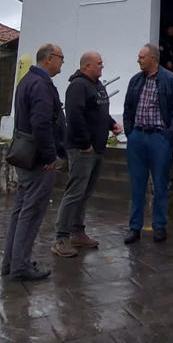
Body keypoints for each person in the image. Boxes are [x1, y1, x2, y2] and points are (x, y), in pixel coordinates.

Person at [2, 43, 67, 282]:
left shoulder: (27, 81)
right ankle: (20, 265)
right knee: (31, 211)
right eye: (60, 58)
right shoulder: (41, 85)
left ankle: (11, 262)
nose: (62, 62)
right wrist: (50, 156)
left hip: (25, 153)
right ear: (49, 58)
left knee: (20, 210)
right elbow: (41, 124)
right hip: (38, 159)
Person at [52, 50, 122, 258]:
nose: (102, 66)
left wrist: (111, 124)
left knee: (85, 192)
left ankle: (77, 231)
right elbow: (74, 116)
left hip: (97, 148)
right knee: (75, 192)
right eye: (99, 63)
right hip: (83, 149)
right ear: (87, 66)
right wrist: (84, 144)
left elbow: (100, 110)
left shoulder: (97, 85)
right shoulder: (78, 86)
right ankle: (61, 237)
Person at [122, 42, 173, 244]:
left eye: (141, 57)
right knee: (137, 185)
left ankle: (159, 226)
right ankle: (134, 227)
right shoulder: (135, 80)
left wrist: (169, 136)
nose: (138, 60)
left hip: (160, 138)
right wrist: (130, 133)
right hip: (138, 138)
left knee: (160, 185)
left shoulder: (170, 80)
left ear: (153, 59)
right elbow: (128, 108)